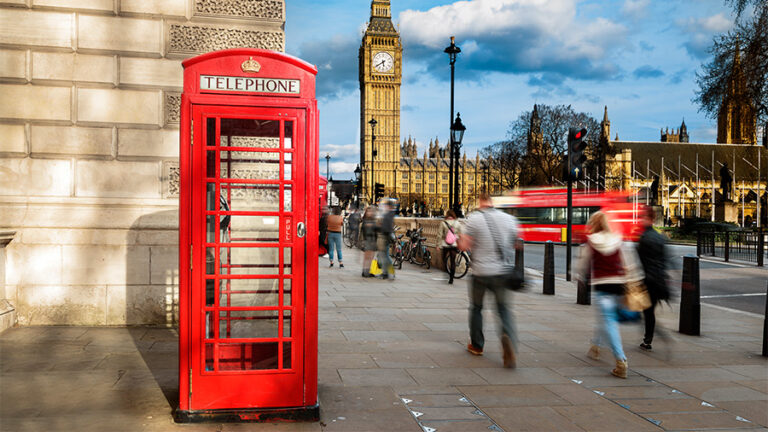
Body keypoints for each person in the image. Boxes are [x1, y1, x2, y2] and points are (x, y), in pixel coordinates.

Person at [574, 211, 643, 379]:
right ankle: (595, 346)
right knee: (606, 318)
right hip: (620, 286)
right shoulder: (618, 240)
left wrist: (578, 276)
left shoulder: (591, 242)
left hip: (603, 288)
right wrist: (635, 280)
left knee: (609, 321)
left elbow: (582, 265)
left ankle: (621, 361)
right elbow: (630, 264)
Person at [457, 193, 518, 368]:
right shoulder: (509, 219)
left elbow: (464, 246)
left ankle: (477, 345)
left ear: (480, 203)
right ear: (492, 202)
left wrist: (461, 239)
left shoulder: (474, 219)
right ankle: (507, 339)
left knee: (476, 308)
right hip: (502, 272)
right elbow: (516, 243)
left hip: (480, 272)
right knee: (503, 310)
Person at [636, 207, 670, 351]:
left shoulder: (644, 237)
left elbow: (640, 261)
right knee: (649, 311)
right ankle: (648, 338)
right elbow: (665, 259)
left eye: (643, 217)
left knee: (647, 312)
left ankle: (650, 338)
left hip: (648, 280)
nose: (640, 220)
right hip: (659, 279)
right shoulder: (660, 237)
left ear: (649, 219)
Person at [438, 210, 461, 284]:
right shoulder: (457, 223)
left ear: (447, 215)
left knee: (444, 259)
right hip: (454, 244)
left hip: (445, 244)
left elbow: (439, 235)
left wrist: (438, 245)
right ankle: (451, 278)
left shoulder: (443, 223)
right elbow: (460, 234)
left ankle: (446, 270)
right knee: (453, 261)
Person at [377, 199, 395, 279]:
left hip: (385, 237)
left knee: (385, 256)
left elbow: (387, 227)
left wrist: (380, 227)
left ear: (389, 206)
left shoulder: (388, 215)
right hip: (386, 237)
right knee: (385, 256)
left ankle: (387, 273)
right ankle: (388, 272)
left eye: (386, 205)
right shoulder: (390, 214)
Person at [361, 206, 378, 277]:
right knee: (367, 257)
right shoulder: (366, 221)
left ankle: (367, 270)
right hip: (368, 240)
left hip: (373, 240)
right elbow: (364, 232)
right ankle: (365, 271)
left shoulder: (372, 221)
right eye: (368, 211)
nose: (370, 213)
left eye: (371, 211)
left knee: (371, 257)